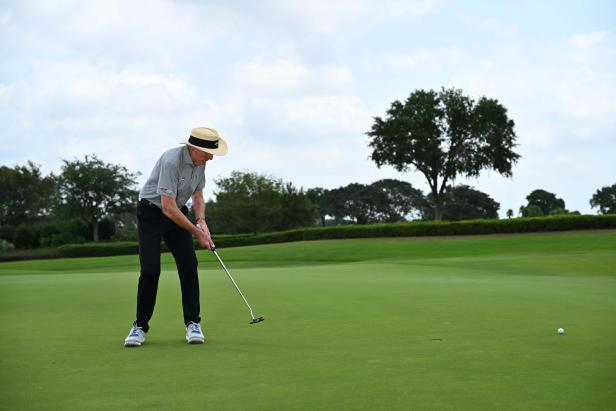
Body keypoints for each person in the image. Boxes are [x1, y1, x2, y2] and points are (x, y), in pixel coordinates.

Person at [123, 127, 228, 347]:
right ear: (194, 148)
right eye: (209, 153)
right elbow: (168, 209)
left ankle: (193, 323)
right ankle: (139, 326)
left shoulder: (201, 164)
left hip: (178, 213)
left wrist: (202, 221)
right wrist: (198, 233)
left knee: (189, 264)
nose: (211, 157)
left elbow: (198, 196)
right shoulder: (171, 161)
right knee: (151, 270)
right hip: (151, 213)